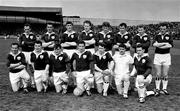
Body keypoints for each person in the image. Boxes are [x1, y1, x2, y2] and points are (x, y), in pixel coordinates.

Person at [153, 23, 173, 96]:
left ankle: (164, 89)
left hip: (166, 56)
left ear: (166, 29)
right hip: (158, 56)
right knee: (158, 73)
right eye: (161, 29)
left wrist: (159, 45)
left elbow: (170, 45)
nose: (162, 30)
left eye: (164, 29)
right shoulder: (157, 36)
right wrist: (164, 44)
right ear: (159, 29)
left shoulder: (169, 36)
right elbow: (154, 44)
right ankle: (157, 88)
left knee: (165, 74)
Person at [19, 23, 36, 88]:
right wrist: (29, 44)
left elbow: (34, 43)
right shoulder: (21, 36)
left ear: (30, 29)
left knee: (32, 68)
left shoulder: (33, 35)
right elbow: (20, 44)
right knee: (24, 68)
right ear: (24, 29)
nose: (27, 30)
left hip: (31, 53)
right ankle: (24, 83)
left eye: (28, 29)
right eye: (25, 29)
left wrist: (25, 43)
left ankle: (33, 82)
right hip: (23, 53)